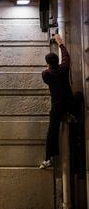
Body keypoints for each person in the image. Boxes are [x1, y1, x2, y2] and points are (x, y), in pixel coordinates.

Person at [40, 34, 74, 169]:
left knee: (52, 132)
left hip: (57, 106)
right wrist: (60, 43)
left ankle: (48, 159)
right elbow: (67, 57)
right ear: (57, 61)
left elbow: (50, 70)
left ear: (48, 64)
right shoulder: (64, 69)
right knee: (79, 96)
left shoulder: (46, 74)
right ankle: (70, 114)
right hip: (69, 102)